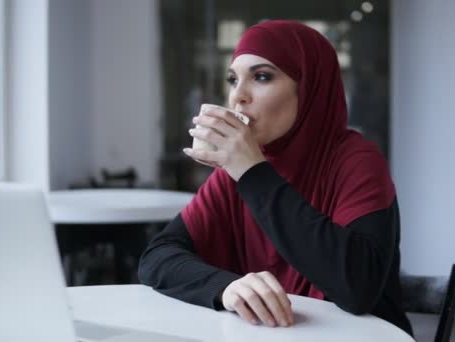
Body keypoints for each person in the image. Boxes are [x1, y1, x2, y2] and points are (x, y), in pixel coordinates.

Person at [138, 20, 413, 336]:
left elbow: (357, 287)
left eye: (262, 77)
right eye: (233, 80)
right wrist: (225, 287)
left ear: (308, 88)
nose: (238, 96)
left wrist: (252, 172)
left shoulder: (356, 160)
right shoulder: (235, 172)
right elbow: (157, 257)